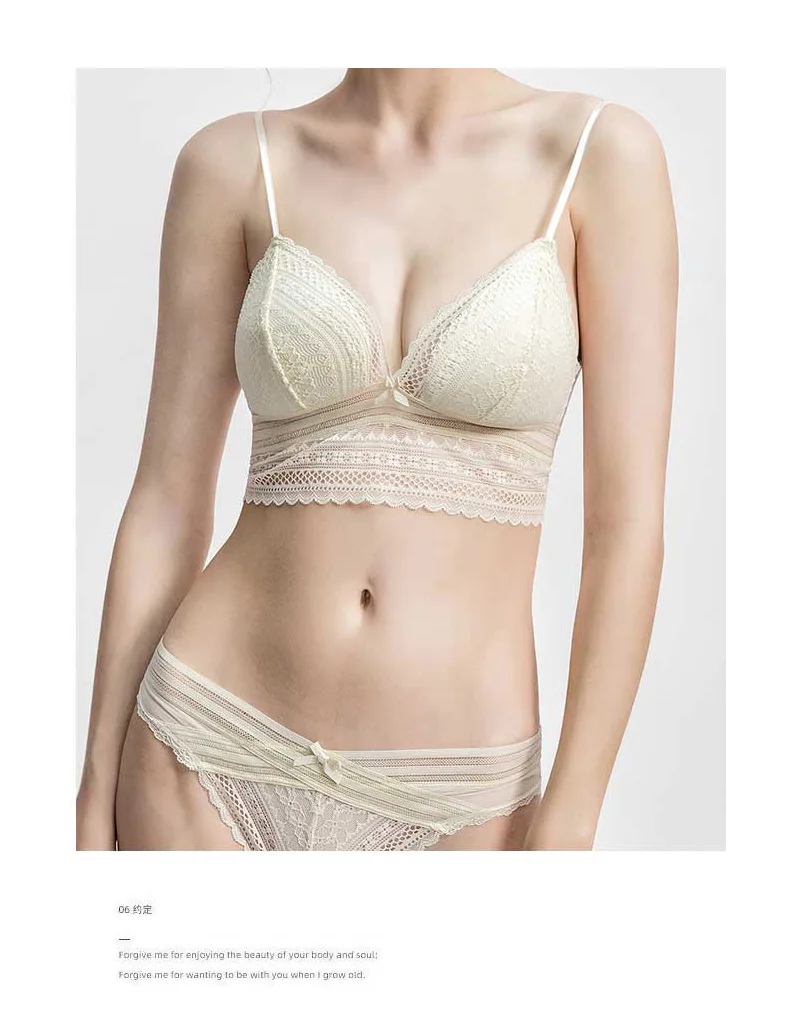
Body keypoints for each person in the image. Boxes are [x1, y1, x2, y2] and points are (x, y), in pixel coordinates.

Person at [76, 68, 677, 851]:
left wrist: (572, 813)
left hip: (461, 790)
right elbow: (166, 500)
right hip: (200, 737)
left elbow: (625, 528)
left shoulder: (598, 156)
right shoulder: (234, 163)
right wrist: (94, 788)